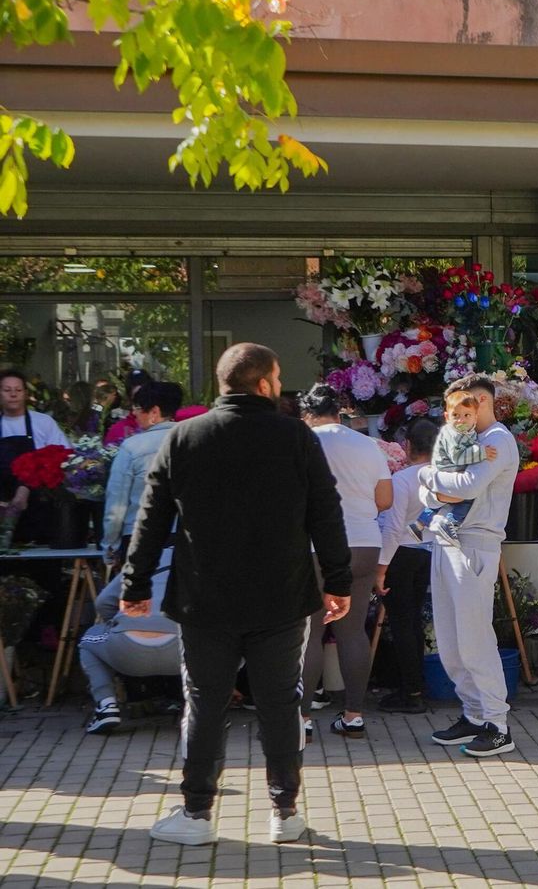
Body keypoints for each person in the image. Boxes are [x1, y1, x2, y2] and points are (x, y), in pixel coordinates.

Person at [121, 342, 353, 845]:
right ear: (266, 383)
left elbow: (152, 518)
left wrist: (135, 584)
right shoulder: (295, 436)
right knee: (280, 702)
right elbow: (326, 512)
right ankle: (284, 812)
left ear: (223, 385)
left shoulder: (183, 437)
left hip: (206, 597)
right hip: (281, 594)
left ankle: (197, 813)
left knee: (203, 702)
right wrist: (337, 580)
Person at [419, 374, 520, 754]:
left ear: (480, 402)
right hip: (446, 540)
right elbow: (429, 490)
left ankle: (497, 725)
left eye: (462, 409)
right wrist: (434, 482)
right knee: (450, 639)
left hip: (475, 544)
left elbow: (463, 488)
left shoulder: (497, 440)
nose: (454, 418)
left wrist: (431, 477)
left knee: (475, 639)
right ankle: (475, 714)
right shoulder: (470, 440)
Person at [299, 384, 393, 739]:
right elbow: (384, 499)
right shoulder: (367, 445)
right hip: (363, 543)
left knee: (309, 633)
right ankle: (354, 715)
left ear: (307, 415)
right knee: (352, 631)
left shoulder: (303, 441)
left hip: (313, 548)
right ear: (339, 412)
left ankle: (303, 719)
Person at [79, 546, 182, 735]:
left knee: (88, 640)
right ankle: (209, 709)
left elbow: (102, 602)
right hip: (182, 651)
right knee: (230, 643)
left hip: (127, 647)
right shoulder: (205, 560)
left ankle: (106, 705)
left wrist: (117, 624)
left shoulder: (147, 557)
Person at [375, 420, 439, 714]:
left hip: (400, 553)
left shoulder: (401, 480)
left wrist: (381, 567)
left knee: (402, 622)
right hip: (427, 551)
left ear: (408, 446)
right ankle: (417, 686)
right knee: (413, 620)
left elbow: (392, 528)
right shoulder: (441, 477)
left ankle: (410, 691)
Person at [102, 381, 182, 568]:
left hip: (139, 537)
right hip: (183, 537)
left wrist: (110, 545)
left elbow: (117, 502)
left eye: (138, 408)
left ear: (154, 412)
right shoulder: (194, 441)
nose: (134, 414)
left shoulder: (132, 447)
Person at [415, 390, 498, 545]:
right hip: (449, 470)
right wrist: (481, 452)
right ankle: (450, 523)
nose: (461, 420)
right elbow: (457, 456)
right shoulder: (452, 434)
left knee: (443, 501)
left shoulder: (467, 432)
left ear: (475, 417)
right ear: (447, 417)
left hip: (451, 471)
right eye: (456, 416)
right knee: (467, 498)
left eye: (467, 415)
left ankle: (419, 523)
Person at [1, 369, 72, 544]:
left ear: (25, 393)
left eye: (18, 390)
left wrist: (26, 487)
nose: (13, 395)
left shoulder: (43, 422)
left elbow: (66, 457)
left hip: (41, 507)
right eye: (7, 390)